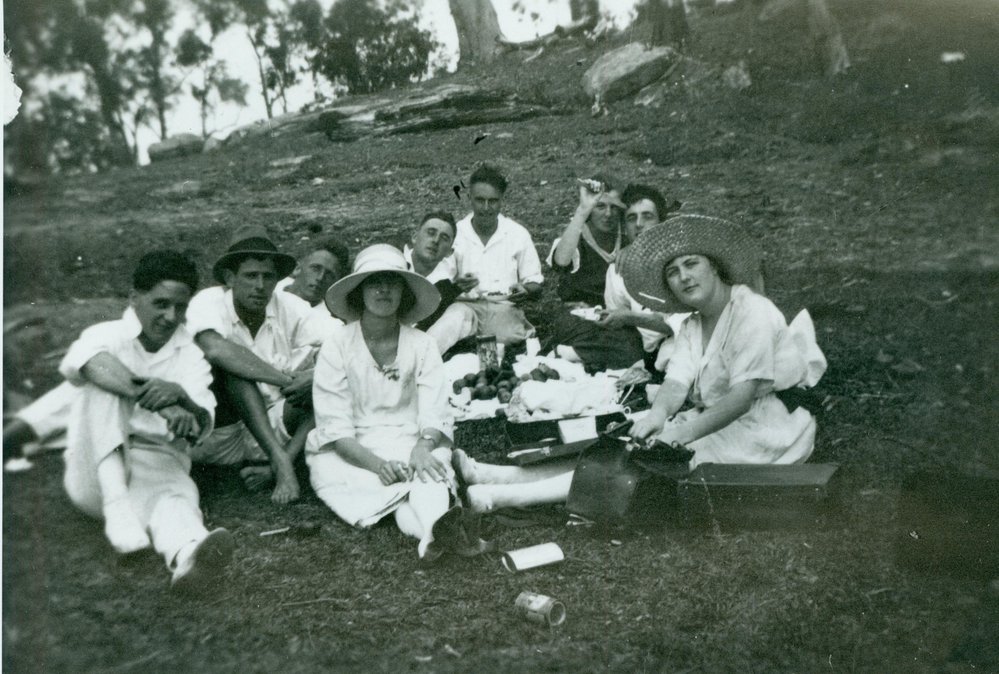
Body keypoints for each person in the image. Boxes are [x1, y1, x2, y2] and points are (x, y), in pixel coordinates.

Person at [452, 214, 826, 513]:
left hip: (767, 429)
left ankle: (506, 497)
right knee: (628, 436)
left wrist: (681, 433)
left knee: (653, 457)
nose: (684, 277)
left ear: (714, 267)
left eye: (691, 264)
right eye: (673, 272)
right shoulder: (693, 324)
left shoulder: (752, 311)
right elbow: (676, 383)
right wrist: (657, 417)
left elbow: (742, 397)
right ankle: (499, 475)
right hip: (716, 418)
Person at [59, 250, 233, 591]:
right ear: (134, 298)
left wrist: (183, 400)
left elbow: (202, 422)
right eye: (160, 304)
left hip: (157, 467)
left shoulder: (190, 352)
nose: (170, 317)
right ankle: (117, 506)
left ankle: (187, 558)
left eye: (180, 307)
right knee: (103, 384)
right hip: (95, 475)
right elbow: (91, 364)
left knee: (176, 506)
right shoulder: (105, 334)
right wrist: (163, 407)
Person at [306, 245, 486, 560]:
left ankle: (430, 535)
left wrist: (423, 447)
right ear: (359, 292)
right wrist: (378, 465)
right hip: (354, 448)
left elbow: (434, 410)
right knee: (385, 483)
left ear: (405, 292)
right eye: (374, 283)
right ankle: (437, 531)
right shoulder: (336, 346)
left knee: (426, 471)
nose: (384, 290)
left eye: (393, 282)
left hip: (412, 436)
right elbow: (335, 426)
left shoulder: (423, 344)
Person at [186, 226, 327, 505]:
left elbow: (339, 347)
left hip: (274, 426)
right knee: (233, 365)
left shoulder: (290, 306)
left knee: (325, 386)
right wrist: (286, 381)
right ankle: (280, 460)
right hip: (219, 432)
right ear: (230, 277)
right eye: (251, 276)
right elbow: (215, 348)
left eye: (268, 276)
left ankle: (281, 463)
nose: (260, 286)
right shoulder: (208, 301)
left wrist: (314, 377)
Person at [425, 165, 544, 355]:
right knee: (446, 327)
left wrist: (526, 289)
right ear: (469, 198)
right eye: (480, 200)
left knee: (502, 340)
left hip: (503, 307)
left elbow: (535, 281)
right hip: (465, 306)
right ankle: (419, 363)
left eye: (493, 201)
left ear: (502, 200)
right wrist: (457, 285)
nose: (486, 208)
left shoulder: (517, 234)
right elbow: (439, 280)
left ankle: (476, 355)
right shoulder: (457, 233)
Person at [544, 175, 646, 371]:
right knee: (628, 346)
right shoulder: (577, 235)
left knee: (634, 339)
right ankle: (587, 354)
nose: (608, 214)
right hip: (579, 316)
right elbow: (561, 262)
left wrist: (632, 248)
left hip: (617, 317)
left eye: (614, 207)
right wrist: (582, 211)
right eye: (600, 206)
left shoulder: (627, 236)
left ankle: (576, 355)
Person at [602, 184, 686, 372]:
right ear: (624, 227)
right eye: (631, 218)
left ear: (661, 223)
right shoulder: (617, 269)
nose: (639, 224)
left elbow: (683, 326)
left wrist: (631, 318)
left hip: (687, 341)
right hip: (651, 353)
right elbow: (617, 323)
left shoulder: (681, 261)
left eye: (647, 216)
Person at [402, 211, 478, 332]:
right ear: (415, 237)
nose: (436, 240)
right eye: (431, 233)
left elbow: (427, 322)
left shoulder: (443, 284)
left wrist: (455, 289)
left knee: (461, 311)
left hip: (418, 338)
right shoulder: (394, 265)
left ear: (449, 252)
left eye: (444, 238)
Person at [279, 240, 350, 308]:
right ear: (297, 268)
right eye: (315, 268)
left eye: (329, 274)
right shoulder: (275, 289)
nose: (320, 278)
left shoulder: (325, 316)